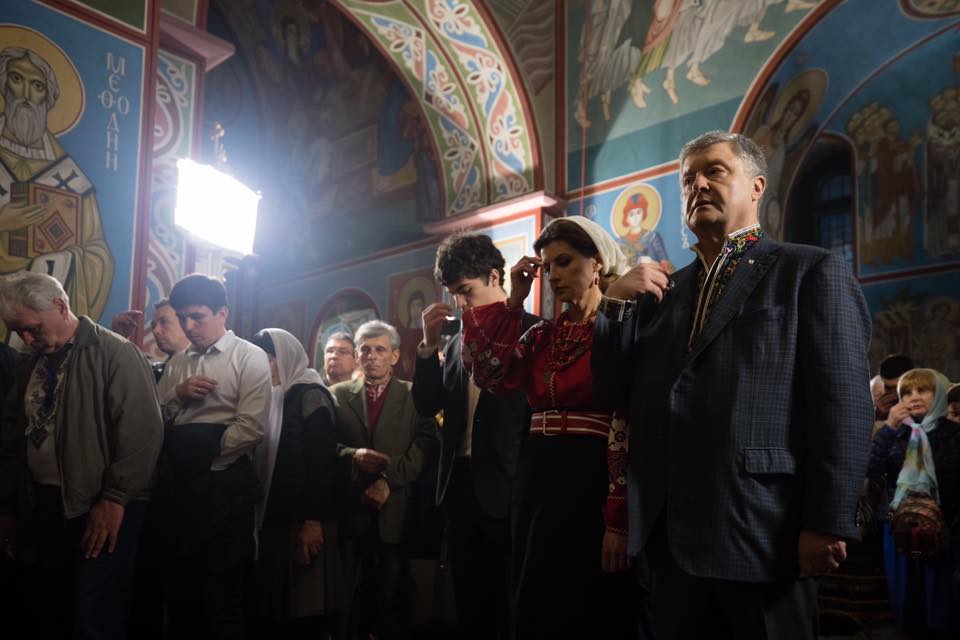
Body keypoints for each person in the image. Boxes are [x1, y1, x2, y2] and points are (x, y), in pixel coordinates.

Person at [593, 131, 874, 639]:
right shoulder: (663, 292)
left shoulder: (807, 271)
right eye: (688, 179)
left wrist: (827, 521)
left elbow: (843, 406)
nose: (698, 184)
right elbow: (613, 393)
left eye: (715, 171)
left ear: (757, 186)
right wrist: (612, 306)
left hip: (763, 530)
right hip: (670, 538)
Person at [461, 217, 650, 639]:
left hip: (591, 480)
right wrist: (514, 301)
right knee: (536, 602)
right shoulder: (541, 335)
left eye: (565, 262)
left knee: (590, 604)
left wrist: (618, 518)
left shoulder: (622, 326)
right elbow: (488, 373)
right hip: (536, 482)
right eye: (547, 267)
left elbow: (626, 419)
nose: (554, 276)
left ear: (597, 263)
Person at [0, 271, 163, 639]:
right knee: (51, 607)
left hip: (99, 505)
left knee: (93, 614)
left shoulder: (115, 352)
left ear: (60, 306)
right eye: (18, 331)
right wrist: (8, 506)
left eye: (32, 329)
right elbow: (12, 437)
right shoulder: (32, 362)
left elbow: (143, 433)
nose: (26, 339)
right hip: (45, 503)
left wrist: (114, 498)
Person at [412, 232, 536, 639]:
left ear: (495, 276)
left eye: (466, 291)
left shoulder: (531, 331)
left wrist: (524, 485)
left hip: (508, 487)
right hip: (459, 488)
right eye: (454, 294)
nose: (461, 303)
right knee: (468, 602)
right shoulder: (456, 342)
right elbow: (426, 406)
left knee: (509, 603)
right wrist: (428, 346)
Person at [155, 274, 273, 639]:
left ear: (222, 313)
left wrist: (199, 453)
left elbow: (251, 428)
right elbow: (155, 419)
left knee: (223, 597)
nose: (189, 327)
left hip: (225, 486)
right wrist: (177, 394)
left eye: (197, 317)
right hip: (179, 486)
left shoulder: (248, 356)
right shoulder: (178, 362)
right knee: (180, 592)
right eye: (182, 318)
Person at [331, 320, 438, 640]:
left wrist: (389, 479)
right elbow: (323, 446)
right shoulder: (337, 395)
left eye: (380, 350)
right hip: (352, 511)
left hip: (397, 510)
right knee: (350, 599)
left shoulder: (414, 395)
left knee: (392, 599)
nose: (372, 356)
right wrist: (352, 455)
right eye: (365, 350)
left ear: (394, 356)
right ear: (357, 355)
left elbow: (427, 444)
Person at [0, 46, 114, 341]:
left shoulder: (70, 178)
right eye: (16, 79)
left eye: (37, 86)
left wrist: (64, 259)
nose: (26, 94)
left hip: (42, 334)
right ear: (4, 85)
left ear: (48, 98)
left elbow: (98, 254)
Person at [250, 328, 347, 639]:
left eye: (267, 359)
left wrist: (313, 521)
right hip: (276, 519)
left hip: (304, 521)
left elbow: (321, 465)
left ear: (285, 358)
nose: (261, 367)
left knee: (304, 613)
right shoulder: (274, 396)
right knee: (275, 613)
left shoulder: (311, 395)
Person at [866, 368, 960, 633]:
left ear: (938, 394)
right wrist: (888, 428)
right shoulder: (896, 433)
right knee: (907, 609)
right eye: (906, 392)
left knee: (943, 613)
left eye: (923, 390)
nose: (914, 396)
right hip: (900, 532)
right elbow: (871, 470)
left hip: (947, 532)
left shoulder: (953, 434)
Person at [112, 298, 192, 381]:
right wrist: (119, 335)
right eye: (153, 325)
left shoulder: (199, 366)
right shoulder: (155, 373)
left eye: (164, 322)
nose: (155, 330)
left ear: (184, 322)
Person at [875, 354, 915, 425]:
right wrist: (879, 417)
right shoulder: (882, 408)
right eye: (889, 388)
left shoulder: (926, 402)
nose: (895, 395)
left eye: (900, 387)